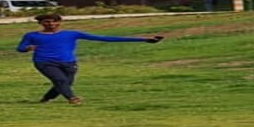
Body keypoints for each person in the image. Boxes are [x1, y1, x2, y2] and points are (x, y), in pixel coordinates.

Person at [17, 13, 165, 104]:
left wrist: (144, 39)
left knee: (65, 83)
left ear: (59, 22)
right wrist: (27, 48)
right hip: (44, 62)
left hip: (69, 62)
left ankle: (46, 99)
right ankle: (73, 99)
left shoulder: (72, 33)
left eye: (53, 21)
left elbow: (106, 38)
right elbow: (20, 48)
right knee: (60, 81)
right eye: (46, 22)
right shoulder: (32, 35)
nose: (50, 24)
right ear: (41, 23)